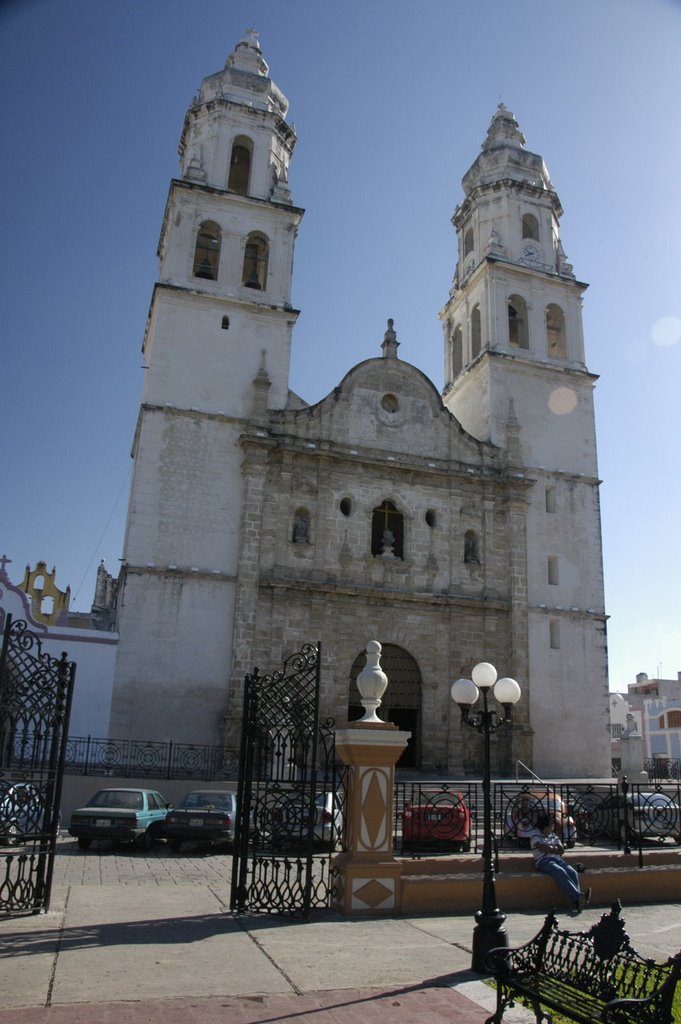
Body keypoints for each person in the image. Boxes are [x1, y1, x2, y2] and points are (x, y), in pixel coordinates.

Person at [529, 813, 591, 914]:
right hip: (544, 861)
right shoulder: (534, 835)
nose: (553, 826)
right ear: (546, 825)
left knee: (572, 871)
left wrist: (551, 849)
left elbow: (561, 850)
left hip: (558, 859)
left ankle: (578, 901)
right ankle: (578, 898)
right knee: (559, 871)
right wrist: (553, 848)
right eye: (551, 824)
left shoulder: (553, 835)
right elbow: (543, 848)